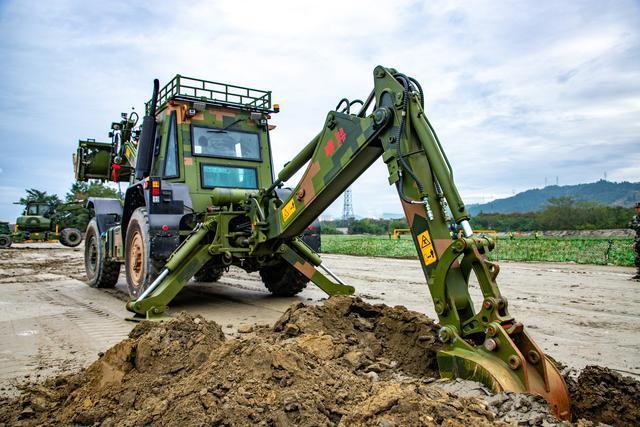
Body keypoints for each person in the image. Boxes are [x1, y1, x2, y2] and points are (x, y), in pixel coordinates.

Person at [629, 202, 640, 281]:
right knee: (638, 258)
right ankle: (639, 274)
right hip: (638, 239)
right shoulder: (635, 217)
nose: (637, 209)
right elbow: (630, 225)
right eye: (636, 208)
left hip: (638, 240)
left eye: (638, 208)